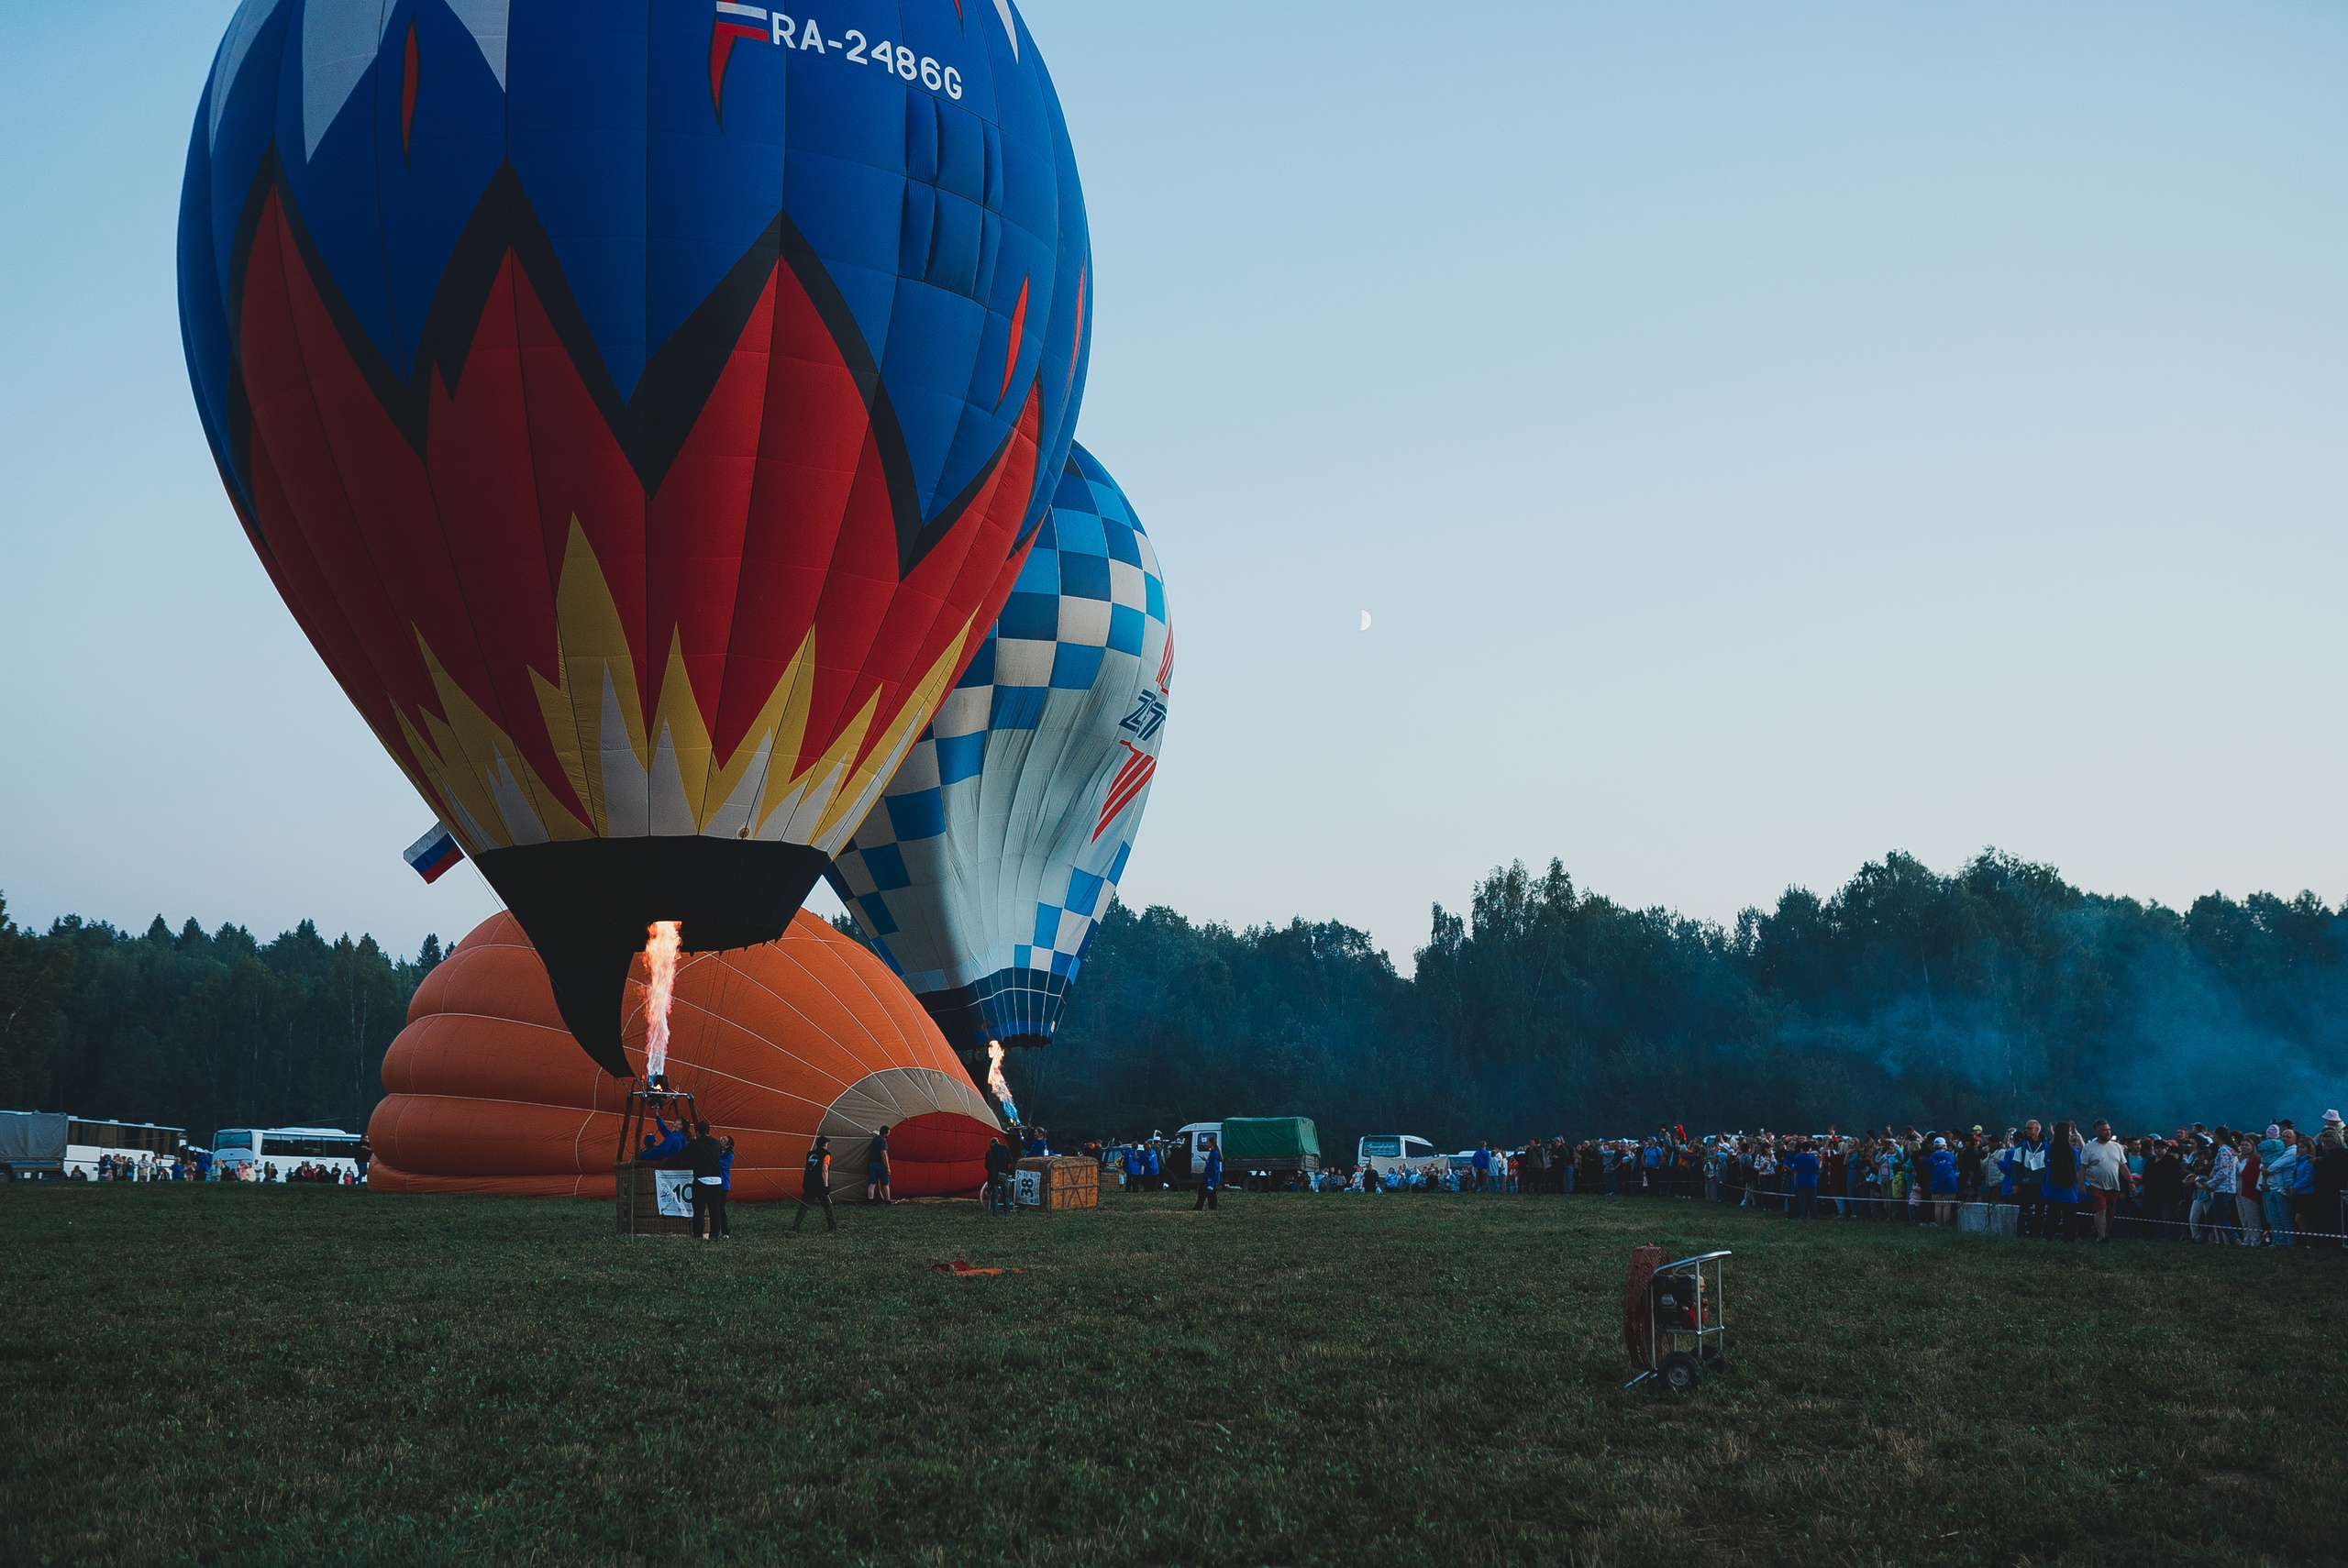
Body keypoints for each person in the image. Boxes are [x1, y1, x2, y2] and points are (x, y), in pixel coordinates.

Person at [2079, 1121, 2128, 1242]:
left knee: (2110, 1213)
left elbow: (2123, 1166)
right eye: (2104, 1130)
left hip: (2113, 1185)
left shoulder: (2116, 1147)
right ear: (2097, 1132)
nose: (2108, 1132)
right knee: (2101, 1210)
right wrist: (2081, 1185)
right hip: (2096, 1184)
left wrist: (2130, 1182)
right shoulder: (2089, 1148)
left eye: (2109, 1129)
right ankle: (2102, 1237)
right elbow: (2083, 1167)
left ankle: (2105, 1233)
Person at [683, 1121, 726, 1241]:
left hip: (701, 1180)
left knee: (699, 1210)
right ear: (709, 1131)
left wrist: (669, 1161)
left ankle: (698, 1236)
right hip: (717, 1181)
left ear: (698, 1132)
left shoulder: (695, 1144)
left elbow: (682, 1155)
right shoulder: (717, 1144)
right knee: (715, 1210)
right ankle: (714, 1235)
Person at [2043, 1121, 2084, 1242]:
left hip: (2053, 1187)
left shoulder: (2050, 1149)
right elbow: (2077, 1167)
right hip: (2070, 1188)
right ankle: (2068, 1240)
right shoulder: (2073, 1152)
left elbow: (2046, 1164)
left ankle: (2047, 1237)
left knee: (2052, 1216)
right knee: (2069, 1218)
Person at [792, 1136, 837, 1232]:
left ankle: (796, 1225)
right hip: (820, 1185)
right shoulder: (826, 1155)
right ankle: (832, 1227)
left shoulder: (810, 1154)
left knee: (804, 1206)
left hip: (809, 1183)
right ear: (825, 1144)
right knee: (828, 1207)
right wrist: (826, 1186)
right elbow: (824, 1170)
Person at [1927, 1136, 1958, 1226]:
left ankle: (1939, 1225)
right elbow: (1953, 1166)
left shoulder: (1932, 1156)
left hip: (1936, 1183)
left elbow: (1929, 1169)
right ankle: (1946, 1225)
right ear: (1944, 1145)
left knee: (1938, 1205)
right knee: (1947, 1205)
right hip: (1949, 1182)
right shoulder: (1950, 1155)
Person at [1787, 1140, 1821, 1220]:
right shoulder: (1812, 1157)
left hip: (1801, 1180)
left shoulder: (1797, 1157)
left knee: (1802, 1200)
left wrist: (1795, 1181)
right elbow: (1817, 1168)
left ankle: (1802, 1215)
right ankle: (1814, 1216)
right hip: (1812, 1180)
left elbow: (1795, 1169)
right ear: (1810, 1148)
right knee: (1812, 1200)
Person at [983, 1133, 1015, 1216]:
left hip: (994, 1176)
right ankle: (1007, 1211)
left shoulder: (989, 1152)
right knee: (1005, 1193)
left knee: (995, 1194)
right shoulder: (1005, 1148)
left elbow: (987, 1166)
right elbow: (1010, 1160)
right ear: (998, 1142)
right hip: (1004, 1174)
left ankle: (995, 1212)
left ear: (991, 1143)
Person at [1194, 1133, 1223, 1211]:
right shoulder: (1213, 1152)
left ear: (1211, 1143)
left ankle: (1200, 1207)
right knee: (1208, 1191)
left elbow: (1214, 1166)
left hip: (1210, 1176)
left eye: (1208, 1142)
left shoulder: (1214, 1153)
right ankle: (1210, 1206)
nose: (1206, 1144)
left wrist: (1210, 1177)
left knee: (1205, 1191)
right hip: (1209, 1176)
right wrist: (1206, 1161)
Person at [867, 1124, 893, 1204]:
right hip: (881, 1165)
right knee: (885, 1184)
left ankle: (870, 1200)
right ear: (885, 1133)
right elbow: (884, 1155)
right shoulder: (883, 1141)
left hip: (872, 1163)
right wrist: (888, 1168)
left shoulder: (874, 1139)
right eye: (888, 1133)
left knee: (872, 1183)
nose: (889, 1134)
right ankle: (887, 1201)